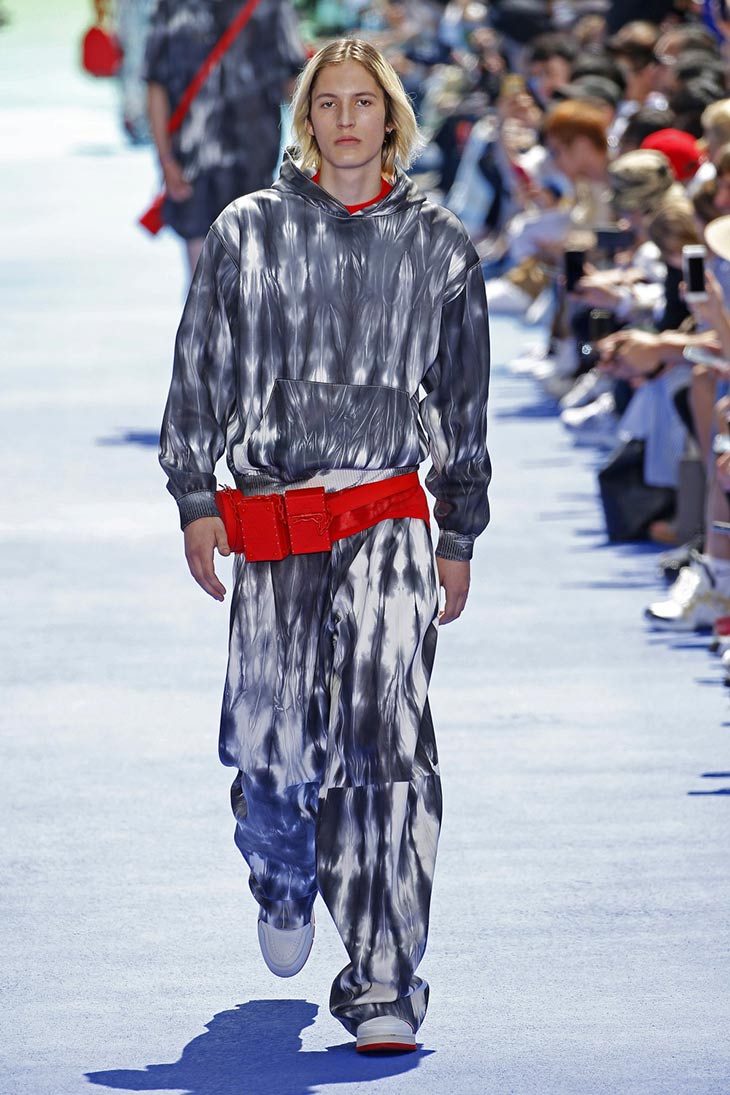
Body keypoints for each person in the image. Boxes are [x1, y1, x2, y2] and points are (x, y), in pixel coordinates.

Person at [159, 38, 491, 1053]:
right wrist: (194, 495)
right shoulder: (246, 231)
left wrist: (459, 523)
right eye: (329, 103)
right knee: (268, 748)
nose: (348, 120)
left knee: (386, 742)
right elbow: (200, 366)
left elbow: (462, 398)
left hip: (388, 517)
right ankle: (282, 870)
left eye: (364, 102)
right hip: (273, 515)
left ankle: (384, 977)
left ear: (392, 117)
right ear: (306, 118)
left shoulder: (439, 243)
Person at [143, 0, 305, 278]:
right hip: (195, 166)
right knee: (205, 281)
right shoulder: (173, 5)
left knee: (249, 279)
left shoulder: (270, 5)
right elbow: (156, 84)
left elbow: (294, 80)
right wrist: (166, 159)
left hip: (253, 161)